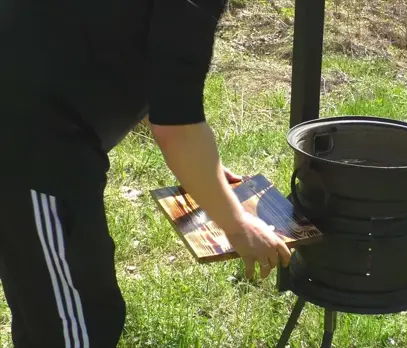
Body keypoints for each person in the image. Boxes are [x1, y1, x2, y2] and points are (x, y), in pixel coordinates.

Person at [0, 0, 292, 346]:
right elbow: (177, 129)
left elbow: (134, 57)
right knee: (74, 323)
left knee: (47, 303)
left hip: (31, 114)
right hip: (30, 143)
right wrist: (238, 225)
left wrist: (202, 170)